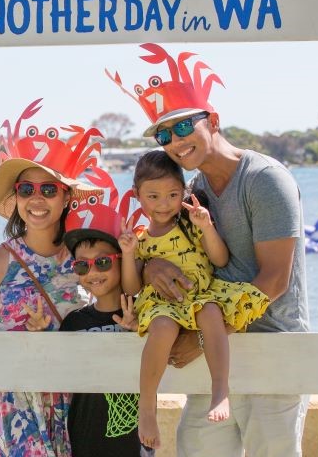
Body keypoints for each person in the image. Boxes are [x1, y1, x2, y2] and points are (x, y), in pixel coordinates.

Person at [108, 42, 310, 456]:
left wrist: (197, 342)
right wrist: (150, 268)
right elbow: (172, 253)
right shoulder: (191, 192)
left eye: (184, 126)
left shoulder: (265, 180)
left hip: (270, 351)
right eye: (165, 134)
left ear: (213, 120)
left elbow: (274, 279)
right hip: (213, 351)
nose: (175, 140)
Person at [0, 98, 102, 457]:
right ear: (16, 197)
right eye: (26, 190)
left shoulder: (89, 260)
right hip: (15, 408)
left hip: (78, 401)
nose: (36, 199)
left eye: (48, 189)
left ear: (66, 196)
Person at [119, 150, 270, 449]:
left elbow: (220, 258)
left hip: (201, 294)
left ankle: (220, 390)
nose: (164, 204)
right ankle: (147, 407)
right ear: (137, 195)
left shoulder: (190, 223)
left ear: (184, 191)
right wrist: (127, 254)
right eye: (153, 196)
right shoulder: (140, 237)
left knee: (212, 313)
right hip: (164, 304)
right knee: (162, 328)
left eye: (173, 194)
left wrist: (207, 227)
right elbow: (131, 285)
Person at [54, 180, 154, 457]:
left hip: (136, 444)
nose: (92, 272)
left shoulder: (147, 312)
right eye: (82, 265)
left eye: (103, 261)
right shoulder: (73, 323)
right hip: (86, 441)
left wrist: (138, 331)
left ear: (122, 258)